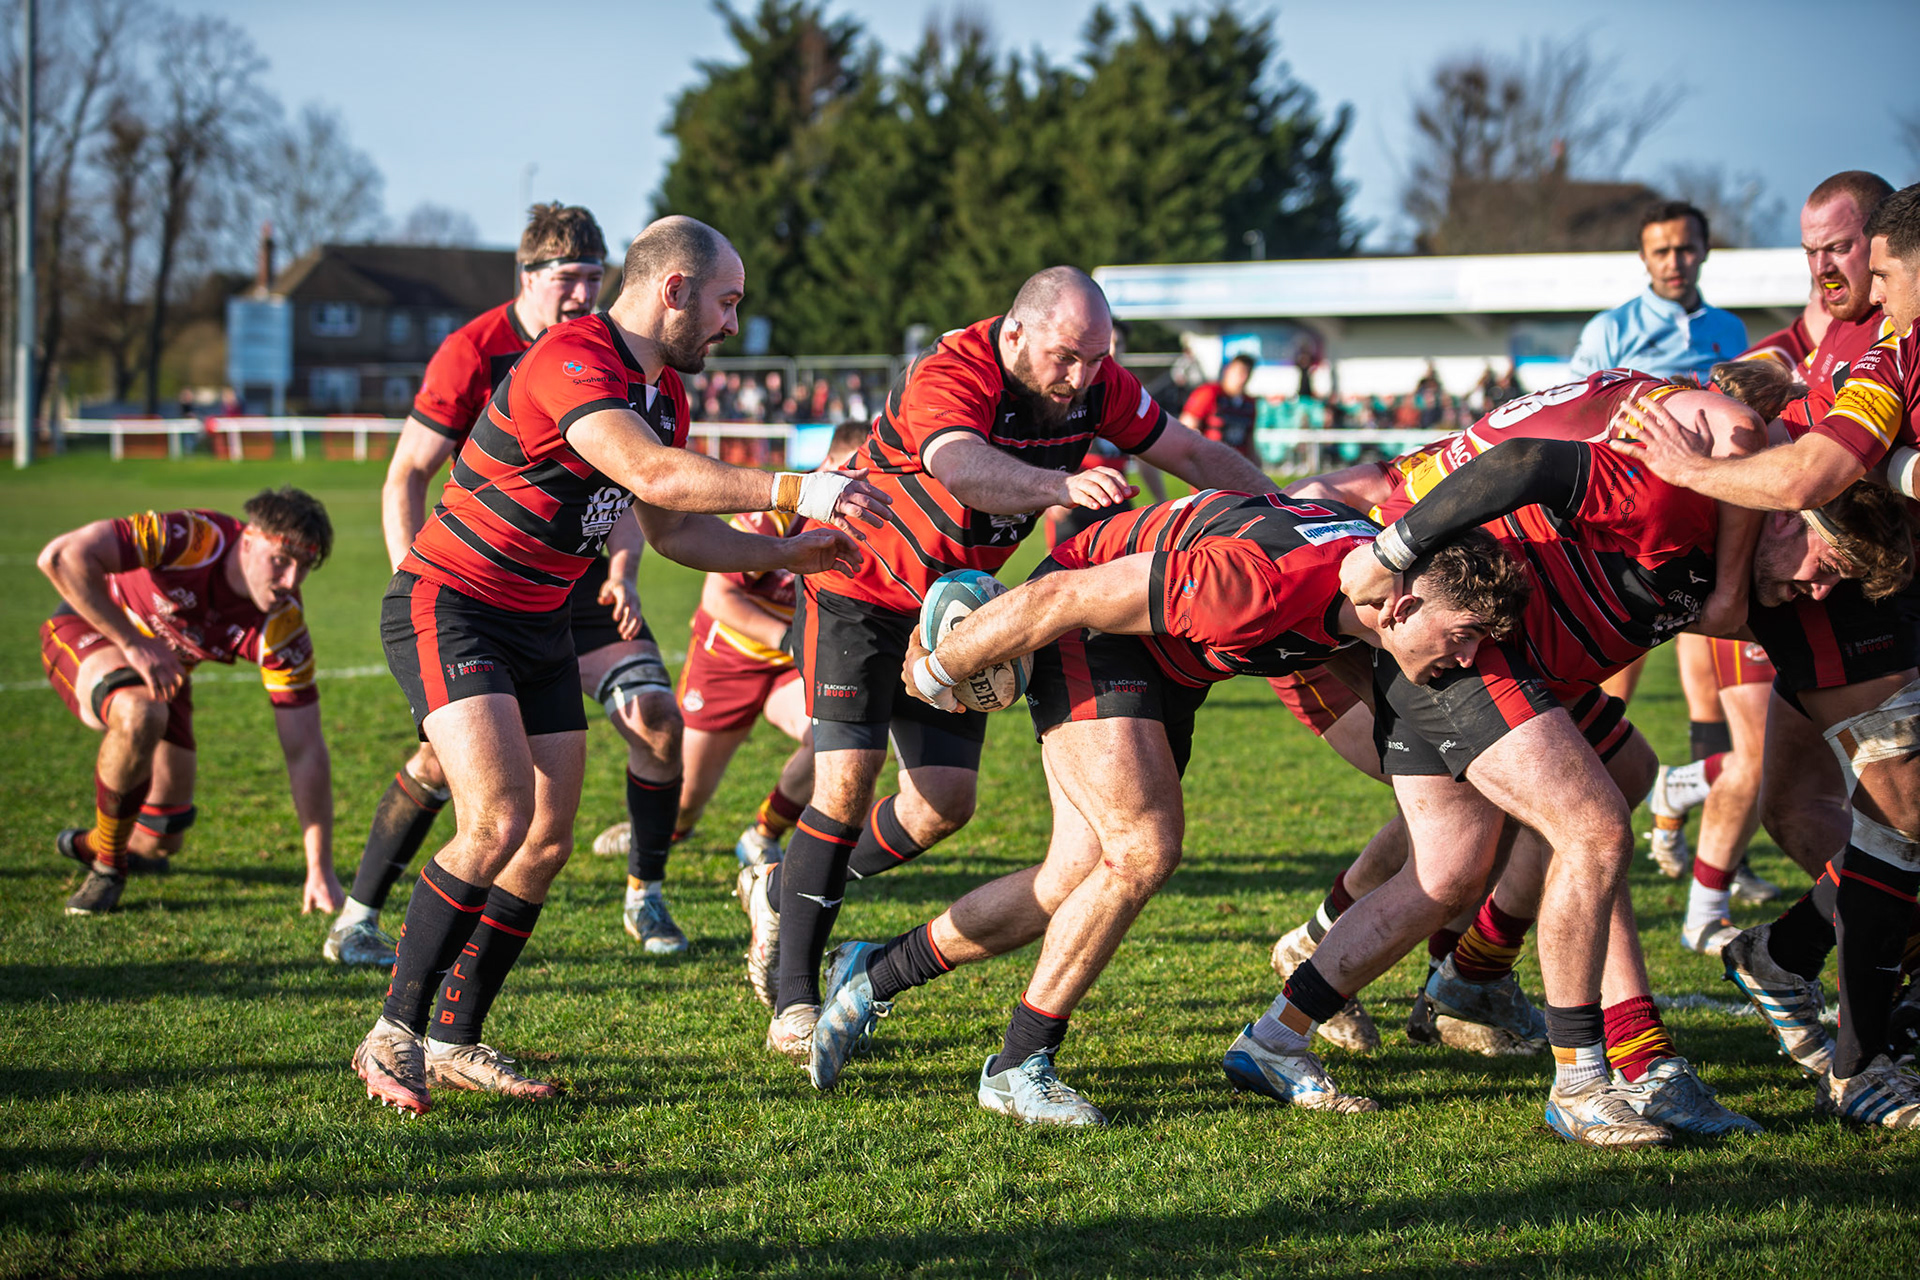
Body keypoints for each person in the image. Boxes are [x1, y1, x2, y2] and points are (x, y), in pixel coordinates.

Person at [1255, 371, 1906, 1146]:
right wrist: (1391, 551)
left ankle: (1457, 1003)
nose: (1816, 591)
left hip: (1523, 659)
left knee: (1605, 787)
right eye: (1825, 568)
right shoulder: (1673, 484)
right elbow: (1529, 460)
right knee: (1562, 836)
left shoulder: (1727, 535)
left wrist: (1733, 583)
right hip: (1465, 641)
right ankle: (1584, 1076)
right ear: (1785, 511)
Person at [349, 216, 889, 1116]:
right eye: (726, 301)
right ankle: (392, 1034)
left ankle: (455, 1038)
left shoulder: (666, 392)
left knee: (546, 840)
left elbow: (673, 529)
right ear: (673, 288)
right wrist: (800, 484)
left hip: (537, 623)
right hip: (452, 603)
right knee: (495, 819)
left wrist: (802, 553)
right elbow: (653, 473)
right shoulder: (574, 355)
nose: (731, 324)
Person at [809, 492, 1530, 1123]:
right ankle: (1015, 1069)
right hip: (1091, 626)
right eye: (1462, 637)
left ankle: (874, 974)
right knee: (1141, 849)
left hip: (1167, 657)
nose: (1466, 659)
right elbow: (1061, 599)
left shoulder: (1363, 587)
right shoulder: (1252, 584)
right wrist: (937, 668)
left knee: (1073, 877)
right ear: (1401, 606)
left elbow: (1334, 635)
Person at [748, 267, 1277, 1065]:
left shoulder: (1094, 384)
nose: (1083, 377)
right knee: (847, 785)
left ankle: (787, 887)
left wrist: (1281, 513)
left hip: (954, 613)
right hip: (854, 587)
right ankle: (794, 996)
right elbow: (960, 465)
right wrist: (1061, 483)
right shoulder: (951, 372)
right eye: (1068, 357)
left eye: (1097, 358)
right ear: (1016, 333)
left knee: (942, 806)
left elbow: (1191, 449)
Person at [1619, 181, 1920, 1127]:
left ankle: (1787, 960)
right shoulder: (1868, 341)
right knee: (1878, 810)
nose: (1839, 270)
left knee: (1847, 810)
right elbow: (1801, 446)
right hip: (1832, 592)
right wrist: (1694, 451)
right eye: (1819, 252)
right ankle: (1862, 1054)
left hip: (1863, 586)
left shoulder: (1883, 338)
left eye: (1857, 254)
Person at [322, 203, 691, 963]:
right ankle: (359, 915)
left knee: (655, 717)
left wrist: (624, 568)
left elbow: (625, 484)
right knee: (449, 769)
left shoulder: (635, 365)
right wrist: (419, 594)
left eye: (595, 277)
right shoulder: (474, 350)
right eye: (567, 279)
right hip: (475, 583)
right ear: (525, 278)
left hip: (575, 587)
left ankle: (644, 896)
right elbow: (407, 474)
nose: (583, 294)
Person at [590, 421, 870, 887]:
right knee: (683, 805)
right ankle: (660, 830)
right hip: (727, 661)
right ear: (832, 468)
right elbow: (720, 600)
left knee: (835, 739)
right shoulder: (780, 512)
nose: (868, 489)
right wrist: (790, 641)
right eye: (860, 476)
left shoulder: (868, 522)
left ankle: (764, 832)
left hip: (787, 666)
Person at [38, 488, 338, 917]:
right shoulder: (193, 539)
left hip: (161, 675)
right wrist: (134, 642)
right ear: (249, 541)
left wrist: (320, 867)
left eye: (305, 567)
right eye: (281, 560)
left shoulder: (282, 626)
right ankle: (107, 870)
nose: (291, 581)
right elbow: (60, 557)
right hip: (91, 628)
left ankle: (91, 843)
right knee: (141, 712)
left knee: (162, 835)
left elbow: (305, 749)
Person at [1570, 201, 1748, 381]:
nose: (1674, 264)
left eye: (1685, 249)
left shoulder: (1732, 328)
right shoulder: (1609, 328)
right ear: (1644, 258)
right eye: (1661, 252)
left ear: (1705, 251)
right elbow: (1577, 404)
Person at [1179, 352, 1261, 464]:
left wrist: (1256, 464)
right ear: (1227, 371)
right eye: (1240, 372)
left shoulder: (1249, 403)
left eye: (1247, 373)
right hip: (1211, 461)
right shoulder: (1209, 393)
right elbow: (1186, 428)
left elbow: (1249, 438)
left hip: (1239, 462)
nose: (1243, 378)